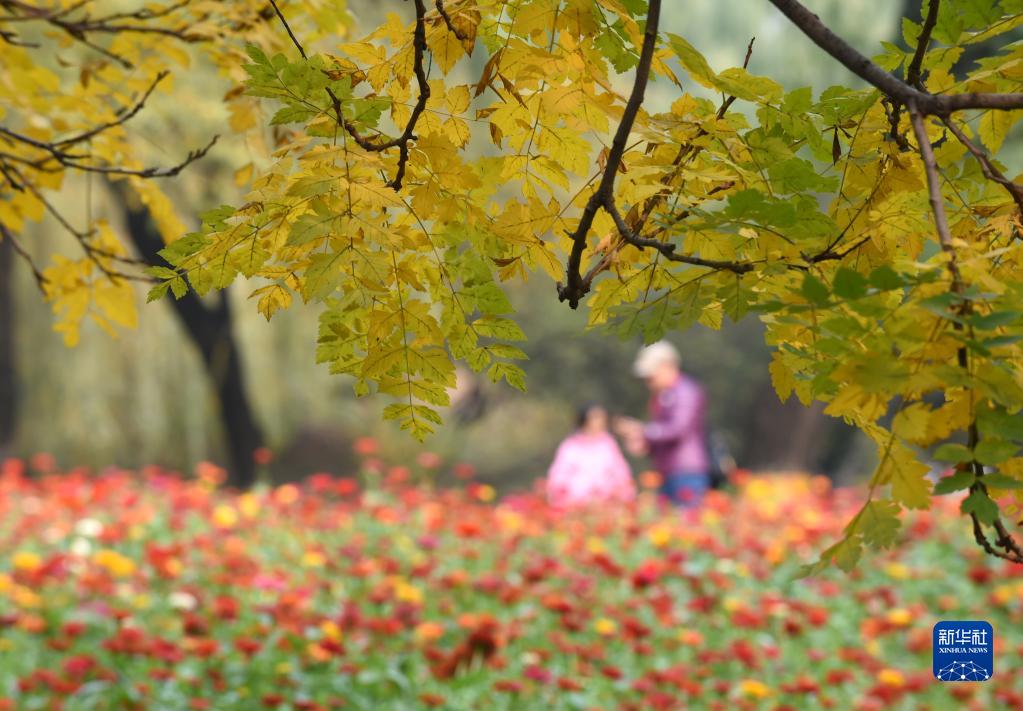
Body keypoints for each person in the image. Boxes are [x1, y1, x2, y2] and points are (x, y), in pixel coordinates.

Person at [615, 341, 710, 508]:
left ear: (666, 366)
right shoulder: (663, 396)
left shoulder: (685, 391)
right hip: (668, 472)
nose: (648, 383)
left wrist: (641, 431)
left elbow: (678, 429)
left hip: (685, 473)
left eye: (651, 377)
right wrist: (645, 444)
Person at [546, 404, 635, 509]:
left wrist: (625, 492)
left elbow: (620, 470)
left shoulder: (608, 444)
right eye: (595, 418)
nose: (599, 422)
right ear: (584, 421)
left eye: (602, 418)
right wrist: (560, 495)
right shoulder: (571, 446)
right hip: (576, 502)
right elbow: (560, 472)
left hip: (606, 501)